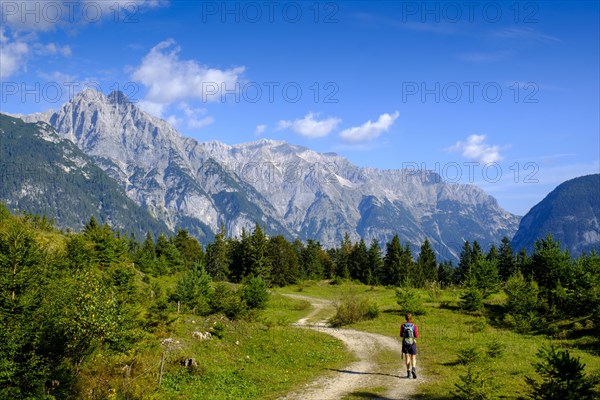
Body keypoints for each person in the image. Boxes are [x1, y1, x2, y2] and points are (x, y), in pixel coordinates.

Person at [400, 312, 418, 379]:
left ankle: (408, 372)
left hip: (405, 343)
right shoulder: (414, 326)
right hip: (412, 343)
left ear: (405, 318)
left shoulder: (403, 325)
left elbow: (401, 335)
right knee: (413, 357)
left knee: (407, 358)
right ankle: (413, 369)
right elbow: (416, 335)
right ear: (411, 318)